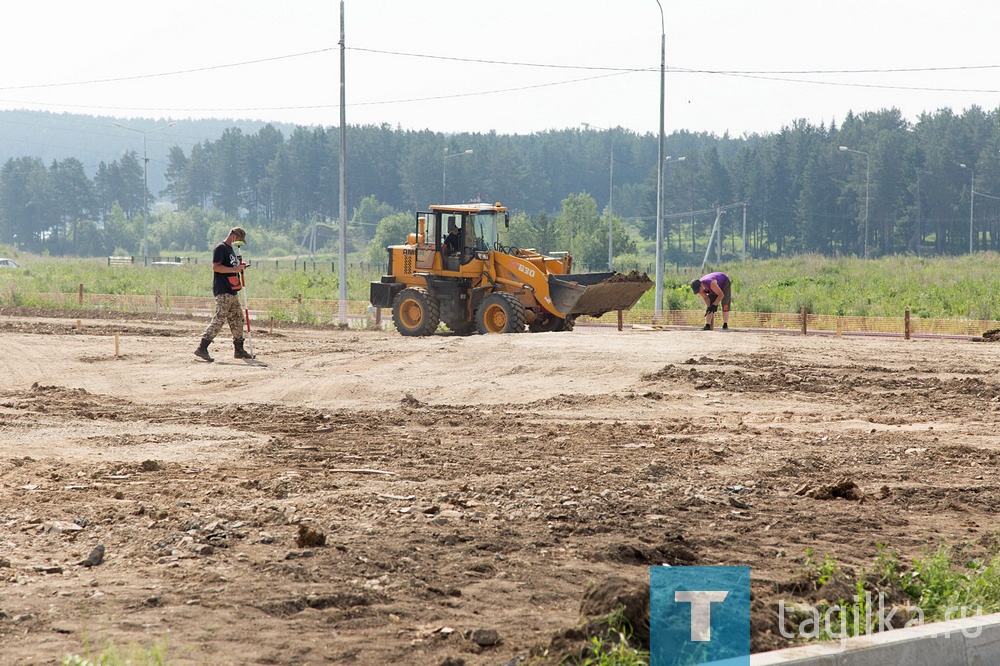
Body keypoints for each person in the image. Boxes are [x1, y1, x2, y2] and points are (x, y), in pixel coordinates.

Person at [194, 227, 253, 361]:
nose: (238, 242)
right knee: (220, 318)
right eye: (238, 239)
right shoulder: (220, 248)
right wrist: (234, 268)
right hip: (223, 290)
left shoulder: (230, 250)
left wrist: (239, 267)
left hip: (232, 290)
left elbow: (231, 267)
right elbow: (216, 267)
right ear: (232, 235)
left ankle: (239, 349)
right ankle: (202, 347)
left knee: (237, 318)